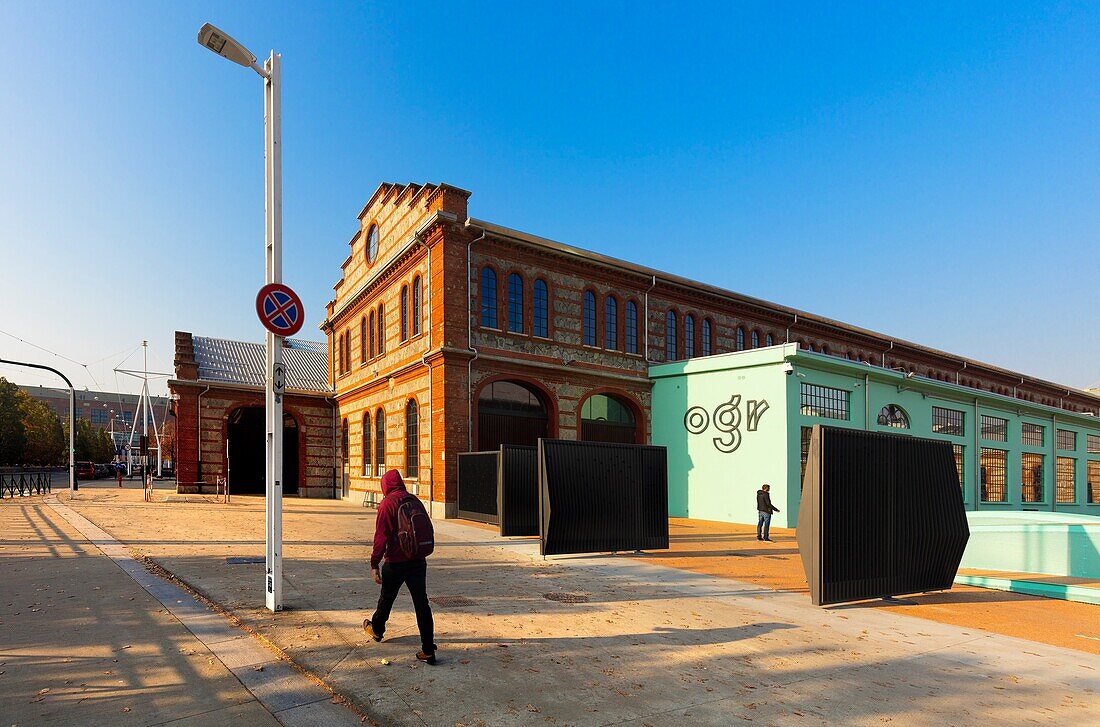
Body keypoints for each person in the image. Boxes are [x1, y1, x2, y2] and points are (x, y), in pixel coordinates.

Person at [363, 470, 437, 664]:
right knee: (422, 604)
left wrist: (374, 564)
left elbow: (381, 537)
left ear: (385, 485)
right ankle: (428, 649)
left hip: (395, 562)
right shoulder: (415, 500)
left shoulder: (388, 503)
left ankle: (377, 630)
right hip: (418, 561)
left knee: (386, 598)